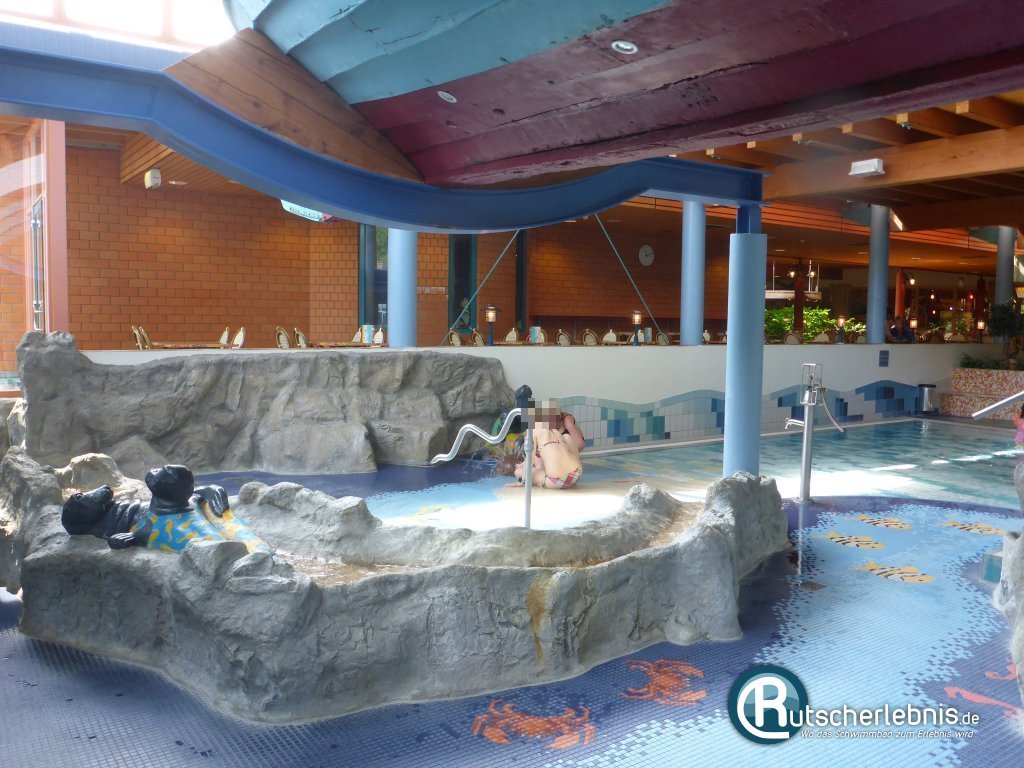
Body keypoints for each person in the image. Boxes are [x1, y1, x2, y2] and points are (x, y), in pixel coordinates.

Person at [512, 399, 583, 489]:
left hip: (559, 480)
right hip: (577, 473)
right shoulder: (556, 432)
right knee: (567, 437)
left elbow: (530, 460)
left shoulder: (534, 431)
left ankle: (543, 481)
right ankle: (572, 482)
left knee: (518, 472)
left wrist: (523, 482)